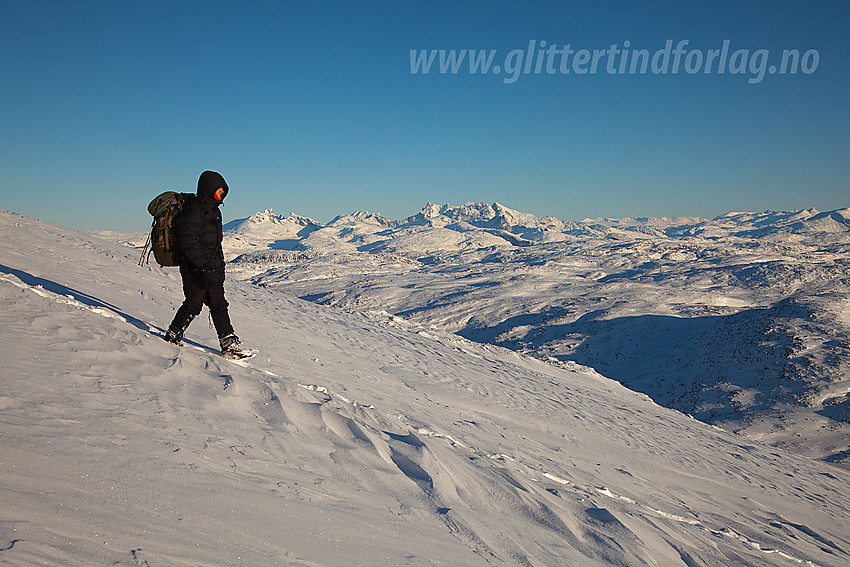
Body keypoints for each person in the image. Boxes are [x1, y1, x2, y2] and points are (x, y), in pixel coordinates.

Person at [163, 170, 251, 359]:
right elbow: (188, 242)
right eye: (219, 191)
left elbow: (215, 244)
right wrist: (204, 266)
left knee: (219, 304)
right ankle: (173, 335)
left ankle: (229, 345)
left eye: (223, 192)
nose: (222, 195)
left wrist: (219, 266)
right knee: (193, 304)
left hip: (212, 268)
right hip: (194, 267)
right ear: (208, 189)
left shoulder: (214, 210)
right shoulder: (194, 209)